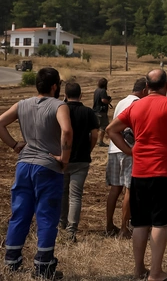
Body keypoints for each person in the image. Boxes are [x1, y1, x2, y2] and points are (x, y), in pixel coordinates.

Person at [106, 69, 167, 281]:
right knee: (160, 223)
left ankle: (139, 269)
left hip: (139, 171)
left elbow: (111, 130)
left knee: (140, 223)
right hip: (165, 171)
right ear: (165, 86)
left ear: (146, 86)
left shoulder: (136, 106)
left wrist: (130, 150)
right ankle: (155, 273)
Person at [0, 67, 72, 279]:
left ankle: (11, 261)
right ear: (55, 86)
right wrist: (64, 159)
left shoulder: (22, 104)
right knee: (46, 216)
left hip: (24, 165)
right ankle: (43, 265)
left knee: (20, 214)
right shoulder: (59, 106)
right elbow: (67, 130)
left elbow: (0, 122)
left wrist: (14, 145)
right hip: (47, 166)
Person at [105, 78, 148, 238]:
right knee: (130, 189)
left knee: (115, 188)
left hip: (114, 149)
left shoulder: (121, 102)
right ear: (144, 90)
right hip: (128, 149)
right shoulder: (138, 103)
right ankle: (124, 228)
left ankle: (109, 225)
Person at [60, 82, 99, 243]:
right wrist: (88, 150)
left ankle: (61, 224)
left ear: (65, 95)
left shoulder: (61, 110)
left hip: (63, 158)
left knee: (62, 193)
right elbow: (95, 135)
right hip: (81, 159)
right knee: (75, 196)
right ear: (81, 95)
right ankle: (71, 230)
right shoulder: (88, 112)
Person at [93, 77, 111, 147]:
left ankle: (94, 140)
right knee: (103, 126)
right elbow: (103, 100)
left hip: (96, 111)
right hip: (101, 111)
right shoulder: (103, 91)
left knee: (96, 127)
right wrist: (108, 101)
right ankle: (100, 142)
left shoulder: (96, 90)